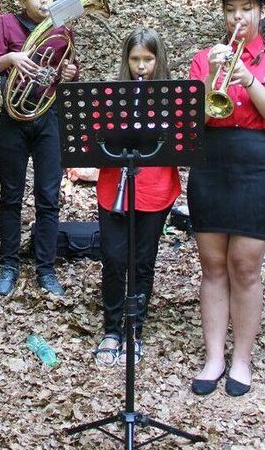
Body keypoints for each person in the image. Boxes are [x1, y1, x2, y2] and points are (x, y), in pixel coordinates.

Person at [187, 0, 265, 397]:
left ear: (262, 10)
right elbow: (190, 122)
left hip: (258, 163)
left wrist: (250, 81)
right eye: (231, 10)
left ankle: (241, 360)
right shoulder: (206, 56)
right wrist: (208, 78)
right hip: (211, 161)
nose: (239, 18)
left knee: (246, 267)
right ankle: (214, 356)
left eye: (247, 9)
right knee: (213, 266)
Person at [0, 0, 78, 297]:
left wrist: (69, 71)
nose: (44, 1)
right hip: (14, 118)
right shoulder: (7, 24)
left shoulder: (61, 27)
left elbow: (67, 75)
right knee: (10, 195)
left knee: (49, 197)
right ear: (21, 0)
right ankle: (8, 263)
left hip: (49, 117)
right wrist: (11, 57)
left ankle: (45, 268)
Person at [91, 28, 181, 366]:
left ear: (158, 62)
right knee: (114, 259)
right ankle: (112, 328)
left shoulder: (172, 97)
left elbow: (181, 144)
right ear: (125, 61)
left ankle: (135, 330)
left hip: (155, 188)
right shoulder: (111, 95)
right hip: (115, 185)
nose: (140, 67)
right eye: (134, 60)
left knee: (143, 262)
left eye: (147, 59)